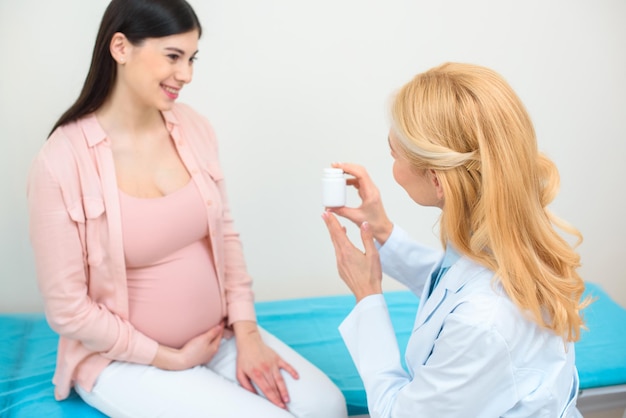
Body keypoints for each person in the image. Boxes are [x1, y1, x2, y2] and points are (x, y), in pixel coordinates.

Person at [27, 1, 347, 417]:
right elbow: (67, 309)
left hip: (219, 336)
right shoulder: (60, 161)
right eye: (173, 57)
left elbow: (225, 236)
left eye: (192, 58)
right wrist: (168, 357)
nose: (187, 75)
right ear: (120, 48)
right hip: (126, 360)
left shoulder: (193, 127)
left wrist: (247, 333)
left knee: (328, 407)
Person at [321, 62, 589, 417]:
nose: (393, 168)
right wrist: (383, 232)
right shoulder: (507, 238)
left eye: (394, 154)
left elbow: (396, 413)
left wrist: (367, 295)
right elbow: (454, 284)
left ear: (436, 180)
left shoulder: (484, 323)